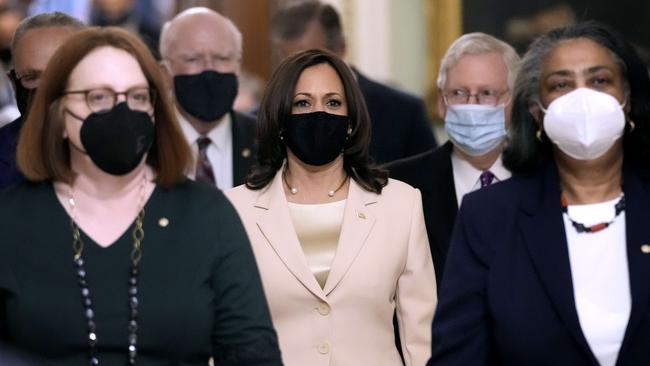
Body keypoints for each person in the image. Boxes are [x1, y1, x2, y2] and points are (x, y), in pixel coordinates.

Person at [0, 27, 282, 365]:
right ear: (58, 114)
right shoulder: (11, 220)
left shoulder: (207, 215)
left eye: (137, 97)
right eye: (98, 97)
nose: (122, 112)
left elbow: (252, 352)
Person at [428, 22, 650, 365]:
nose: (582, 97)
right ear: (536, 110)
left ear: (627, 99)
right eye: (561, 84)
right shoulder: (490, 216)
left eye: (599, 80)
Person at [226, 49, 436, 366]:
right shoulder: (235, 210)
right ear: (281, 116)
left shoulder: (401, 204)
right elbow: (221, 332)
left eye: (333, 102)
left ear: (351, 120)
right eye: (303, 103)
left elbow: (422, 339)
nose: (319, 113)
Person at [388, 33, 521, 283]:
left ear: (514, 101)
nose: (472, 106)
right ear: (442, 102)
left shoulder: (546, 177)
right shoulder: (395, 185)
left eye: (487, 93)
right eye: (459, 93)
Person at [270, 0, 437, 164]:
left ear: (341, 48)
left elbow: (428, 184)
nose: (297, 71)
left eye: (310, 59)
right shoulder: (266, 116)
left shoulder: (403, 113)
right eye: (286, 59)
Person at [159, 7, 256, 190]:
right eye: (193, 59)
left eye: (221, 58)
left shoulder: (267, 144)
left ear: (237, 66)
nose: (209, 69)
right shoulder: (147, 145)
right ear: (165, 73)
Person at [0, 11, 84, 190]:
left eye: (62, 73)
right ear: (14, 83)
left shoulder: (124, 151)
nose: (48, 88)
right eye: (33, 77)